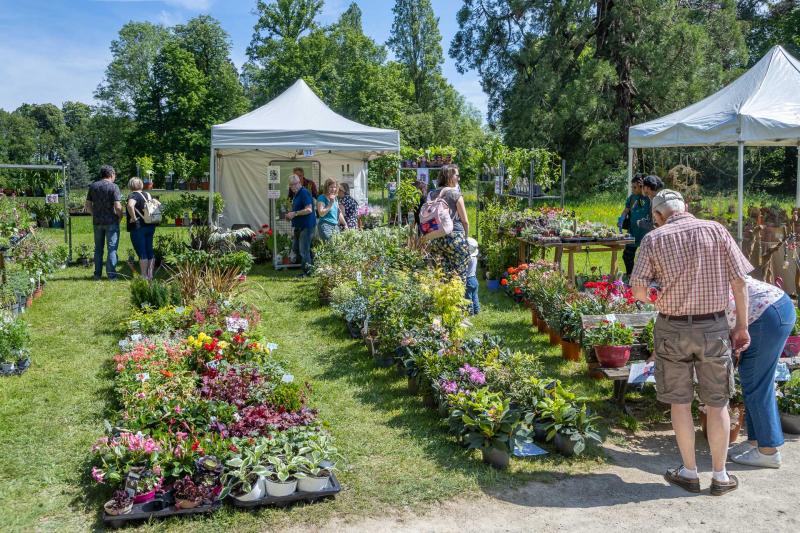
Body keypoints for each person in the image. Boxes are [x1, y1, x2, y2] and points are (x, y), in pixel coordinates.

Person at [631, 189, 753, 496]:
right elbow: (740, 283)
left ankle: (689, 472)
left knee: (680, 402)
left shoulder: (653, 239)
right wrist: (742, 326)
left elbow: (639, 291)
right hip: (713, 326)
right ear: (685, 208)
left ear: (658, 215)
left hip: (672, 328)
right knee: (717, 402)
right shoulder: (716, 230)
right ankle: (721, 476)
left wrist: (661, 293)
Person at [726, 276, 795, 468]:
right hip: (773, 309)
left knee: (757, 383)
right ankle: (756, 442)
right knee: (752, 381)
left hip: (766, 314)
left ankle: (768, 451)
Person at [426, 165, 471, 282]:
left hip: (437, 237)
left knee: (442, 275)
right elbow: (465, 221)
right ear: (449, 176)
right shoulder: (456, 195)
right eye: (457, 175)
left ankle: (443, 299)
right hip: (455, 237)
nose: (459, 179)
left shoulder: (431, 194)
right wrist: (465, 237)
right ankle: (457, 298)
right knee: (459, 275)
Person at [85, 165, 123, 280]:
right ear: (111, 174)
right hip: (111, 221)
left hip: (97, 222)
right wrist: (120, 217)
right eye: (115, 174)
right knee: (112, 249)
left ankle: (97, 275)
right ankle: (111, 276)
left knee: (98, 248)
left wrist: (94, 214)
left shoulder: (93, 186)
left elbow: (87, 205)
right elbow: (117, 206)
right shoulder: (114, 187)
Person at [126, 177, 159, 280]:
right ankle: (150, 274)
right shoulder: (147, 194)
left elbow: (130, 206)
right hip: (150, 225)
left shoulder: (133, 195)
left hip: (138, 227)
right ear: (141, 185)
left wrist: (134, 218)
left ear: (130, 185)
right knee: (149, 250)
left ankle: (144, 275)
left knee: (142, 252)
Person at [618, 175, 651, 277]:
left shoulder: (649, 199)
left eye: (635, 187)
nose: (632, 189)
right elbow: (626, 210)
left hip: (645, 233)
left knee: (645, 259)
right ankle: (630, 275)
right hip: (632, 232)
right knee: (627, 255)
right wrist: (622, 218)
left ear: (641, 186)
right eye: (632, 187)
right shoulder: (631, 198)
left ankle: (644, 278)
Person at [286, 174, 316, 275]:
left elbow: (309, 209)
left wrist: (294, 213)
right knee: (304, 250)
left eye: (294, 184)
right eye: (291, 185)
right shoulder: (297, 194)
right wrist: (291, 215)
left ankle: (307, 273)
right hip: (300, 226)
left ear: (299, 183)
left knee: (304, 251)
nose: (293, 187)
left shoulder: (304, 193)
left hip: (306, 226)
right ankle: (310, 270)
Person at [317, 178, 347, 242]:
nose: (333, 189)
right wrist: (331, 203)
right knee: (330, 247)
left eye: (335, 187)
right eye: (331, 187)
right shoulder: (322, 197)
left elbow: (338, 213)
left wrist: (345, 224)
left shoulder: (335, 198)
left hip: (335, 226)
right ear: (326, 187)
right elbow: (321, 213)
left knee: (338, 247)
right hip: (325, 226)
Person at [465, 237, 480, 315]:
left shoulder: (468, 258)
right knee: (475, 296)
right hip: (474, 279)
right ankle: (477, 310)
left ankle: (470, 313)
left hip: (468, 280)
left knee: (468, 298)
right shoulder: (475, 258)